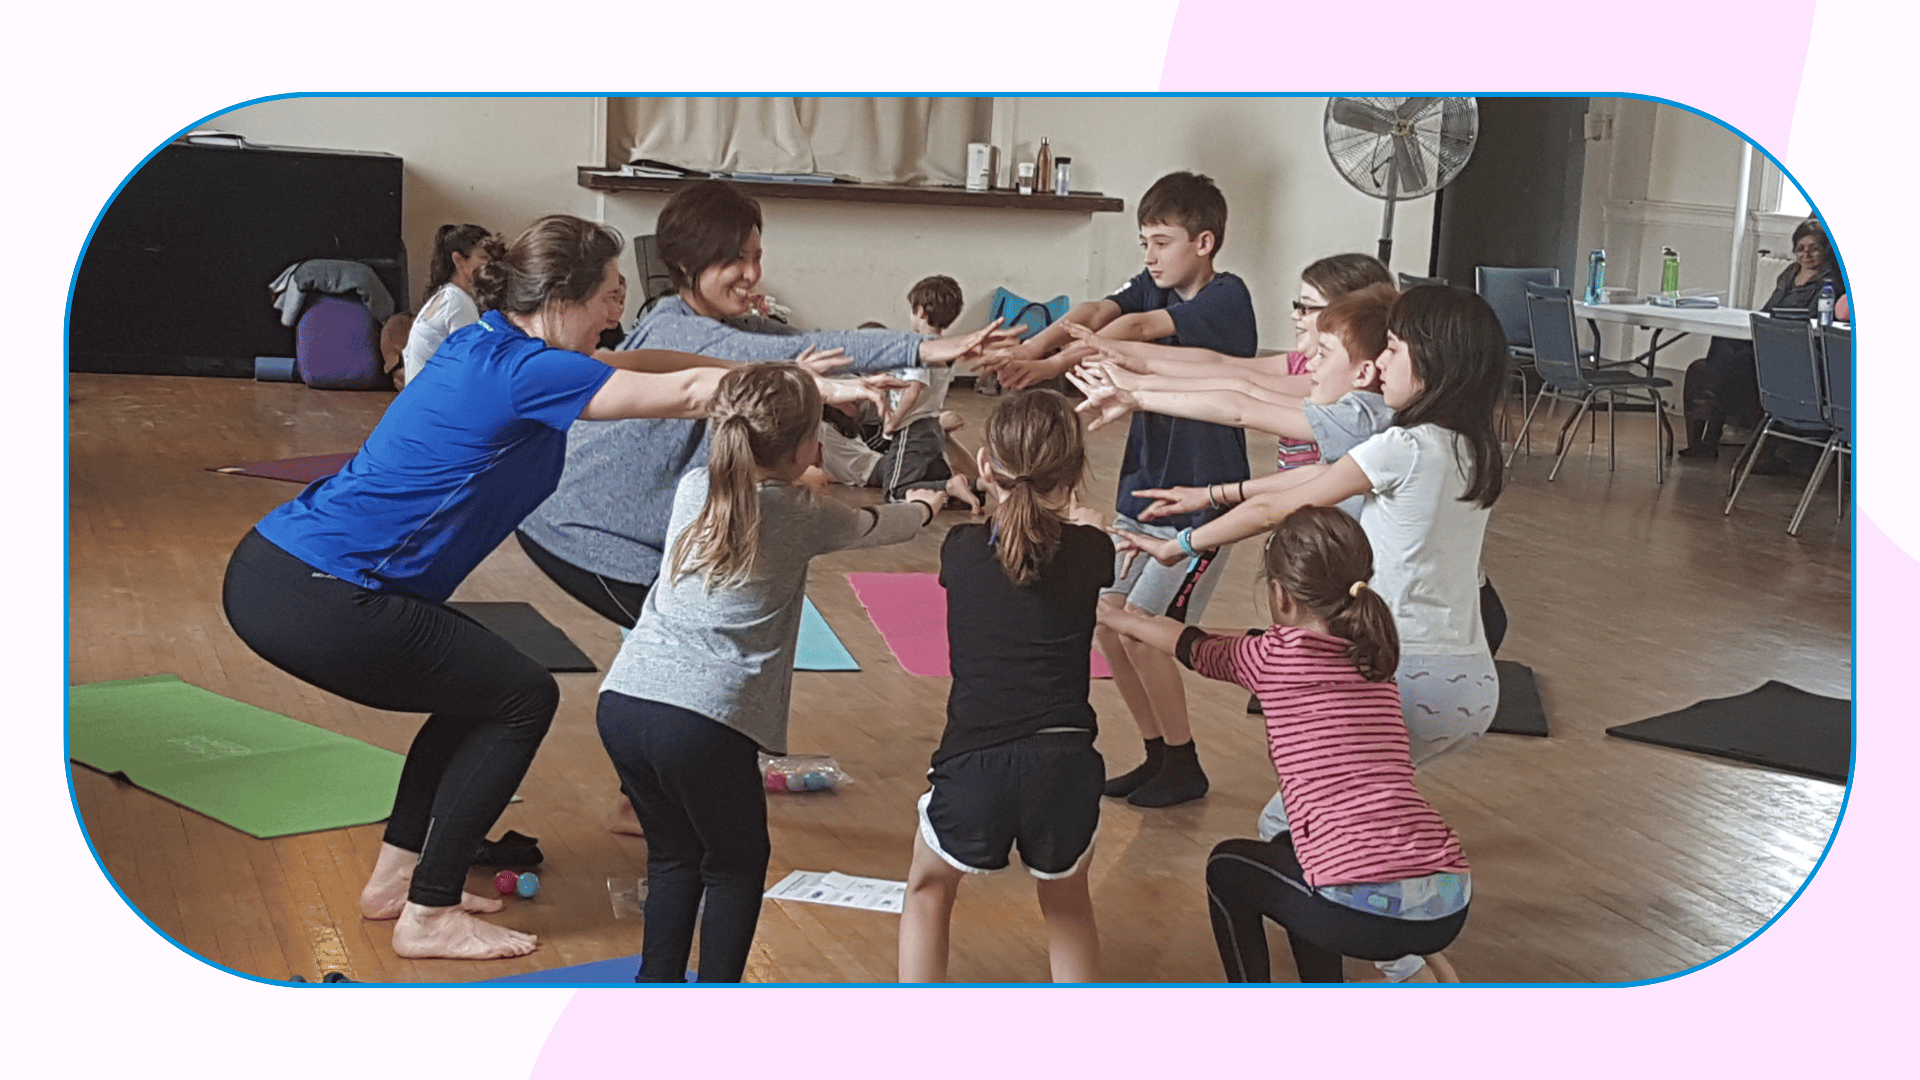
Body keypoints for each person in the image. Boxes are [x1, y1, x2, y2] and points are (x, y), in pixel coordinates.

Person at [219, 214, 838, 962]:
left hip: (280, 566)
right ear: (563, 296)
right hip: (326, 592)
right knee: (521, 695)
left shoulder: (489, 343)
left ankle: (400, 879)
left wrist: (794, 374)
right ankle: (430, 912)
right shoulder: (529, 373)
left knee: (474, 692)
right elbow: (690, 390)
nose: (619, 313)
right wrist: (807, 388)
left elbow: (644, 361)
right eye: (611, 295)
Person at [516, 181, 1007, 635]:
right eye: (735, 259)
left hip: (623, 534)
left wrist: (922, 351)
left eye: (756, 257)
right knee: (688, 650)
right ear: (689, 261)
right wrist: (920, 352)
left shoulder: (731, 328)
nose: (752, 274)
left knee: (686, 656)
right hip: (582, 535)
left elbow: (808, 343)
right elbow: (780, 357)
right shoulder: (676, 328)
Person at [596, 363, 947, 983]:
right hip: (700, 720)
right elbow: (882, 525)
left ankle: (654, 995)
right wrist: (925, 502)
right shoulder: (803, 514)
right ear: (807, 446)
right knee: (736, 863)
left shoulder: (695, 488)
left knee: (676, 856)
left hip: (625, 701)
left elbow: (769, 486)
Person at [1115, 286, 1505, 784]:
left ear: (1432, 363)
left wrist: (1180, 545)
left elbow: (1277, 502)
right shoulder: (1473, 449)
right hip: (1473, 682)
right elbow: (1305, 477)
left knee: (1296, 820)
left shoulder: (1402, 445)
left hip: (1404, 672)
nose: (1382, 361)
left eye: (1394, 349)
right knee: (1367, 804)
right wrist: (1212, 494)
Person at [979, 171, 1258, 808]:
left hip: (1204, 501)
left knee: (1144, 628)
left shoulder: (1226, 299)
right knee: (1109, 623)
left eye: (1162, 243)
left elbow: (1129, 332)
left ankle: (1184, 763)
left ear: (1206, 243)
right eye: (1143, 244)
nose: (1150, 257)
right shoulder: (1147, 284)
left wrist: (1049, 368)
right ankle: (1158, 753)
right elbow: (1095, 313)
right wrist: (1035, 344)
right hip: (1147, 491)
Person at [1098, 506, 1470, 983]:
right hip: (1449, 896)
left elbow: (1187, 643)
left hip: (1362, 910)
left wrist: (1116, 616)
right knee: (1290, 850)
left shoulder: (1273, 658)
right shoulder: (1372, 655)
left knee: (1227, 867)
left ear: (1280, 594)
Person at [897, 390, 1112, 983]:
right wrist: (1093, 526)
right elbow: (1073, 546)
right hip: (1065, 762)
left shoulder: (962, 550)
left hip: (975, 762)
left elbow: (1012, 547)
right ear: (1074, 476)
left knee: (928, 891)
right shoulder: (1093, 551)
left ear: (986, 467)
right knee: (1068, 906)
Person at [1679, 218, 1846, 461]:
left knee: (1742, 361)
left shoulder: (1831, 282)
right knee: (1723, 338)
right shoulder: (1790, 273)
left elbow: (1812, 321)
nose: (1806, 254)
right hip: (1768, 335)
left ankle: (1711, 415)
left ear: (1826, 250)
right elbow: (1768, 310)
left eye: (1814, 248)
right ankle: (1709, 418)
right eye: (1800, 248)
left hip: (1793, 348)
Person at [400, 223, 492, 386]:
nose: (491, 265)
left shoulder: (448, 295)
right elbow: (470, 366)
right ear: (459, 260)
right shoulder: (458, 303)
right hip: (433, 400)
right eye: (484, 258)